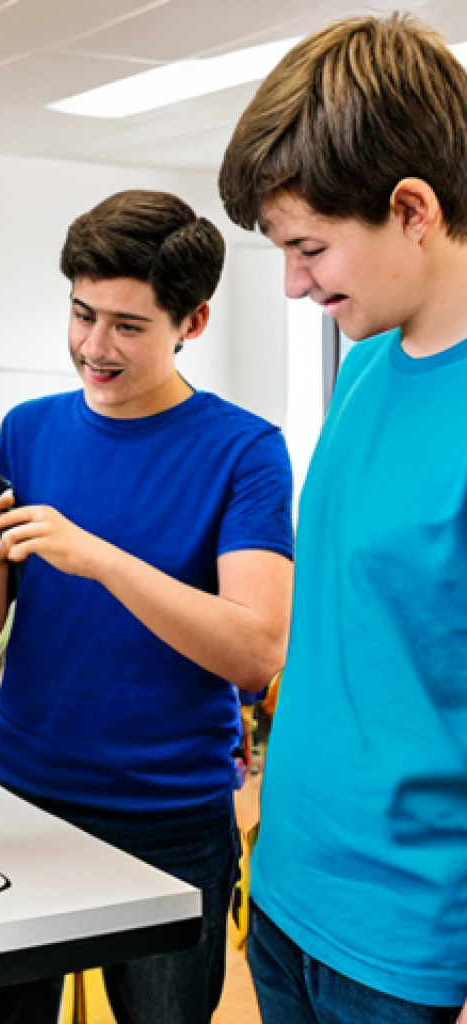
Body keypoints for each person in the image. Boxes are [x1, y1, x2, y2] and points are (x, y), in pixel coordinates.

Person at [0, 190, 294, 1024]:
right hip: (22, 800)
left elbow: (255, 650)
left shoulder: (245, 450)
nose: (94, 348)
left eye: (128, 326)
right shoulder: (28, 430)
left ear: (192, 322)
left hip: (171, 817)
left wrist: (97, 559)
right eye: (81, 313)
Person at [218, 14, 467, 1024]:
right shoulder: (366, 359)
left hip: (409, 947)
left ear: (413, 209)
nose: (292, 281)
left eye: (310, 248)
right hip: (288, 893)